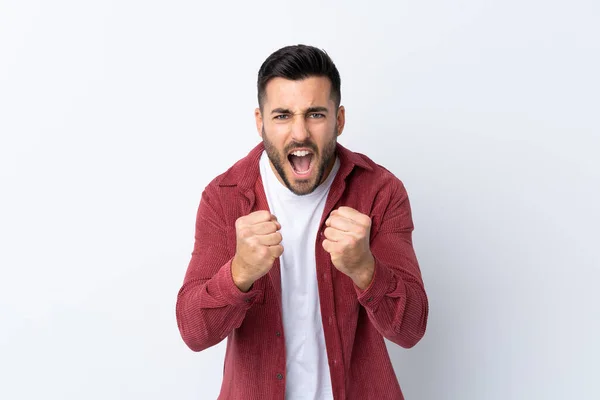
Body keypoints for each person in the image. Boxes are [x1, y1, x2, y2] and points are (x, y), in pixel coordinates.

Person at [176, 44, 428, 400]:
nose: (299, 133)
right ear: (260, 122)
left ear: (338, 119)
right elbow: (194, 332)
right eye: (282, 116)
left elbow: (411, 329)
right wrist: (239, 274)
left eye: (315, 114)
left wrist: (365, 269)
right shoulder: (225, 196)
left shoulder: (380, 191)